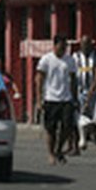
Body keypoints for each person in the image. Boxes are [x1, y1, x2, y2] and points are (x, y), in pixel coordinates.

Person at [36, 36, 77, 165]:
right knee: (51, 129)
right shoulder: (46, 59)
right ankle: (51, 154)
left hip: (66, 98)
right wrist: (39, 99)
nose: (64, 48)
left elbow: (73, 79)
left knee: (67, 126)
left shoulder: (70, 60)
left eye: (65, 46)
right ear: (55, 45)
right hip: (51, 98)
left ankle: (59, 149)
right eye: (61, 46)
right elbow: (39, 79)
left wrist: (74, 98)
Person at [72, 36, 96, 153]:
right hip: (80, 90)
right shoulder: (76, 57)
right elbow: (72, 74)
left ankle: (94, 135)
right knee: (79, 115)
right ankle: (81, 140)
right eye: (83, 44)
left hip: (95, 92)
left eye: (88, 44)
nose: (86, 47)